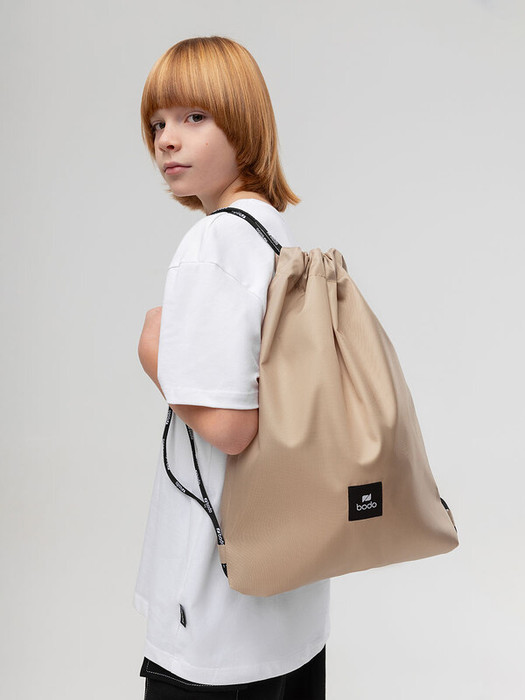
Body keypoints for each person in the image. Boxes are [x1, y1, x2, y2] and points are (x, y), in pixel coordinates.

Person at [135, 36, 330, 699]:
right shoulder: (273, 231)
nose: (167, 139)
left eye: (195, 117)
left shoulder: (214, 241)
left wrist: (155, 352)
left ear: (243, 128)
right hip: (289, 601)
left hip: (218, 605)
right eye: (157, 123)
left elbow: (231, 428)